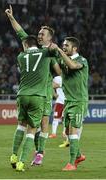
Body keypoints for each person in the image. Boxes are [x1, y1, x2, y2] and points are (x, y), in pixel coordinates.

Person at [5, 5, 61, 167]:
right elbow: (20, 32)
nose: (39, 35)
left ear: (49, 38)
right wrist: (11, 17)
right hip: (37, 94)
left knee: (43, 124)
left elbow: (58, 73)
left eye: (42, 34)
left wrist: (52, 79)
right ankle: (29, 155)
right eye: (38, 34)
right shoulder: (42, 52)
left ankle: (39, 154)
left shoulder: (49, 53)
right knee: (33, 127)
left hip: (44, 94)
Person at [50, 37, 88, 171]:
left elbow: (72, 66)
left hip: (79, 101)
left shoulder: (81, 61)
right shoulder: (62, 59)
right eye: (63, 45)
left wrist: (59, 51)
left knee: (73, 132)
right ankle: (78, 155)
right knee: (66, 132)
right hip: (68, 101)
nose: (64, 46)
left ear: (75, 48)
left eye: (67, 45)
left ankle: (72, 163)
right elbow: (59, 69)